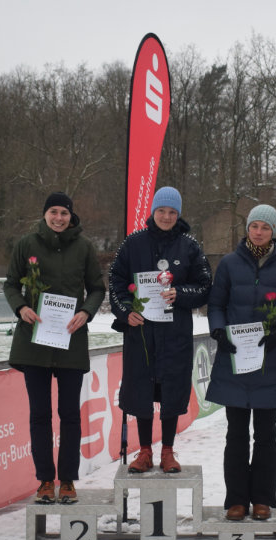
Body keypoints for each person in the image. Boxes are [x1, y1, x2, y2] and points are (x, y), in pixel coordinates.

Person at [206, 204, 276, 521]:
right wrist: (219, 331)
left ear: (273, 231)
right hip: (235, 361)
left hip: (269, 362)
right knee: (236, 434)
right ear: (247, 228)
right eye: (254, 226)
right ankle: (236, 500)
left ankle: (263, 498)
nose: (259, 231)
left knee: (266, 435)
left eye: (265, 227)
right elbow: (216, 304)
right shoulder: (229, 264)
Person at [4, 191, 106, 504]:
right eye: (53, 212)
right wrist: (21, 307)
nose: (59, 218)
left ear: (70, 216)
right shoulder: (26, 244)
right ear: (45, 214)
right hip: (34, 343)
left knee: (70, 415)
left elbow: (97, 288)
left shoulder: (85, 247)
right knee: (40, 415)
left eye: (64, 213)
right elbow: (10, 283)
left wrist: (86, 311)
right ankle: (45, 481)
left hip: (70, 342)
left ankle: (67, 482)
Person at [108, 186, 212, 473]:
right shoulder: (133, 243)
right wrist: (126, 311)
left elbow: (204, 286)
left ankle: (167, 450)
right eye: (161, 211)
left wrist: (180, 293)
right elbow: (115, 281)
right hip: (141, 331)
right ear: (152, 212)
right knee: (140, 389)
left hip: (174, 333)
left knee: (171, 391)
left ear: (178, 214)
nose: (166, 216)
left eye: (172, 212)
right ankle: (144, 451)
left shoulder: (189, 246)